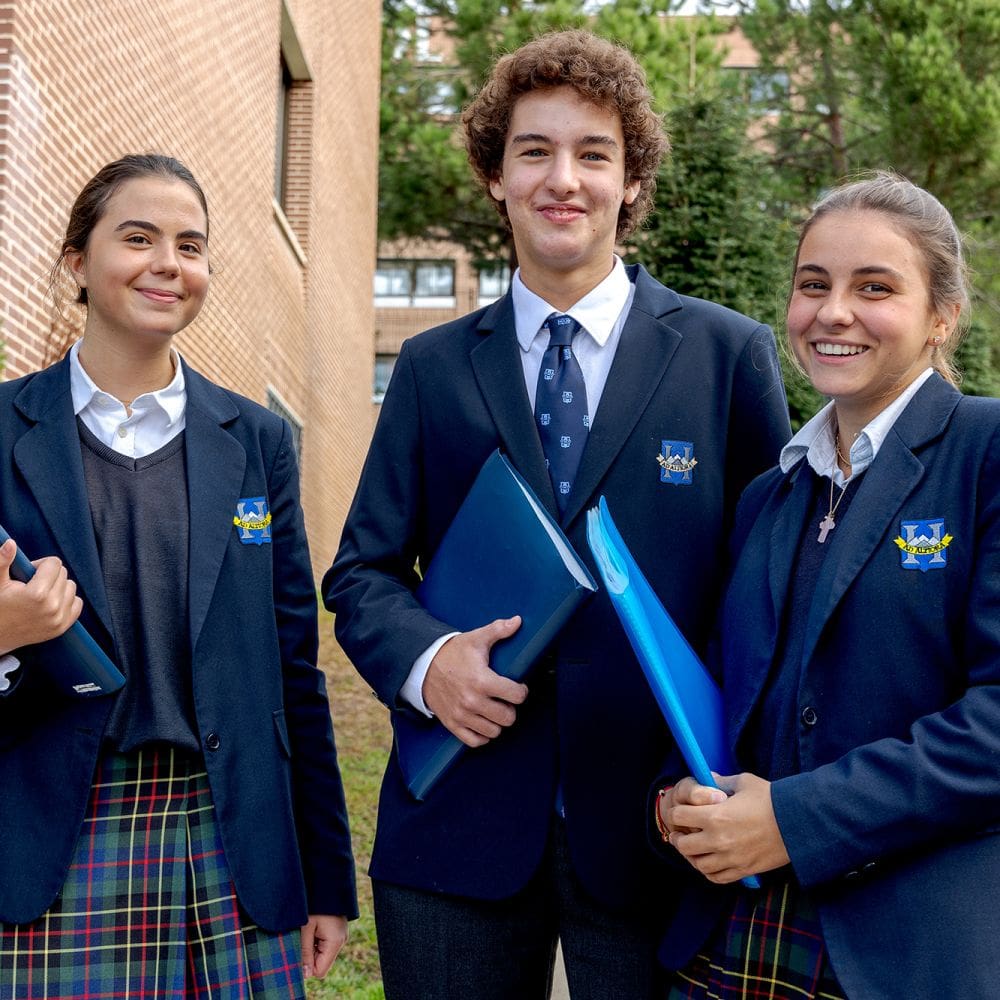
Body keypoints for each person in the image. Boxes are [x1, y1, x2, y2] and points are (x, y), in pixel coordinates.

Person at [328, 29, 791, 998]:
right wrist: (426, 663)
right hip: (456, 824)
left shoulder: (725, 356)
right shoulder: (431, 367)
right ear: (495, 177)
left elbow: (767, 593)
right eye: (533, 151)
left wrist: (727, 771)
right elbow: (363, 571)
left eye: (593, 154)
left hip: (661, 828)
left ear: (632, 182)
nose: (562, 178)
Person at [0, 153, 358, 997]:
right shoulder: (3, 431)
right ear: (78, 262)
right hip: (55, 836)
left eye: (191, 246)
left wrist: (327, 881)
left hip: (232, 837)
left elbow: (291, 675)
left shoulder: (259, 443)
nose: (170, 263)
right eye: (139, 238)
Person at [656, 172, 1000, 1000]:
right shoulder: (769, 496)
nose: (833, 311)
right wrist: (674, 798)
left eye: (874, 287)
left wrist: (794, 821)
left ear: (941, 316)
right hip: (733, 941)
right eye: (814, 285)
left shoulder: (986, 453)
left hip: (904, 952)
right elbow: (719, 686)